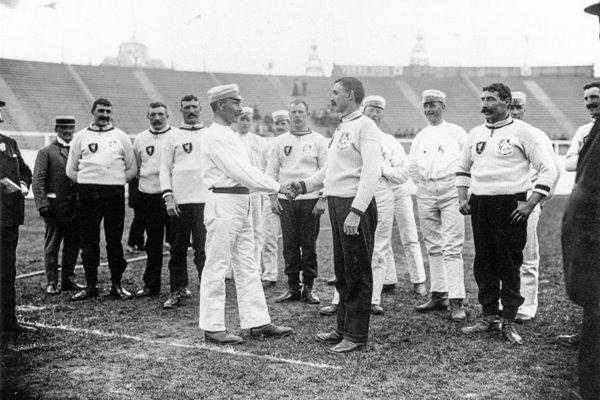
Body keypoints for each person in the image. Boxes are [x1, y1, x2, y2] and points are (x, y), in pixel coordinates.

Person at [458, 83, 559, 345]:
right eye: (482, 98)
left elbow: (548, 170)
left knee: (510, 264)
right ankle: (489, 316)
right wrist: (462, 197)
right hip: (480, 204)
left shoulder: (525, 132)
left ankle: (509, 321)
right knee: (484, 263)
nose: (485, 103)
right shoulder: (476, 133)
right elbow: (462, 169)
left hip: (511, 205)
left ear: (506, 101)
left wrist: (529, 204)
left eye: (490, 99)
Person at [290, 77, 382, 354]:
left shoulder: (366, 126)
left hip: (355, 206)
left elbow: (372, 171)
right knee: (343, 272)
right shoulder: (343, 126)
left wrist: (357, 210)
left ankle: (356, 335)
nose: (331, 97)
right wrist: (304, 185)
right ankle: (342, 328)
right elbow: (329, 171)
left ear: (350, 95)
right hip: (338, 204)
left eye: (336, 92)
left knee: (357, 272)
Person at [198, 83, 292, 345]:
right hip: (225, 201)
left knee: (248, 263)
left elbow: (245, 172)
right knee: (217, 264)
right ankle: (212, 326)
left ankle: (257, 321)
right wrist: (277, 186)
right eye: (235, 102)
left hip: (243, 201)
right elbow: (240, 172)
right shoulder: (214, 135)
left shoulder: (230, 135)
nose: (240, 108)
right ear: (220, 105)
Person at [67, 98, 137, 301]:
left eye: (108, 111)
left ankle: (117, 284)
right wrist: (88, 182)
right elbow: (71, 169)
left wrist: (115, 180)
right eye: (100, 110)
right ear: (92, 112)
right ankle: (90, 285)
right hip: (88, 194)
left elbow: (131, 167)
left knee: (114, 240)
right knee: (89, 240)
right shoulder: (81, 136)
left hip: (114, 194)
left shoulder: (120, 136)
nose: (104, 114)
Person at [408, 90, 467, 322]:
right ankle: (439, 294)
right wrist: (422, 186)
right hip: (425, 190)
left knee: (452, 246)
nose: (429, 110)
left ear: (443, 105)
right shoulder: (421, 135)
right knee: (433, 245)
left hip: (451, 189)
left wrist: (462, 190)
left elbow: (467, 162)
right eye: (426, 106)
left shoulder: (456, 132)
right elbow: (412, 166)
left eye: (433, 105)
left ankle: (456, 301)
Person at [267, 99, 328, 305]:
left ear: (307, 114)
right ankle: (293, 287)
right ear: (289, 115)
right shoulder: (280, 141)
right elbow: (272, 171)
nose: (297, 115)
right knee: (290, 245)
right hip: (286, 200)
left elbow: (327, 171)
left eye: (301, 111)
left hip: (310, 200)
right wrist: (273, 197)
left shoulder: (319, 140)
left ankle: (309, 288)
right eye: (293, 112)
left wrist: (322, 198)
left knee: (308, 245)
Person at [562, 78, 600, 399]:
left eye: (596, 97)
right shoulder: (585, 131)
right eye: (587, 98)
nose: (590, 103)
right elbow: (570, 161)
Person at [159, 94, 208, 309]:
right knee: (177, 249)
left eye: (194, 107)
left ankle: (209, 292)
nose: (191, 110)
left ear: (200, 109)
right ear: (181, 110)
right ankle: (178, 289)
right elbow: (164, 169)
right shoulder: (172, 136)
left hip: (206, 201)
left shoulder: (210, 135)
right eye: (186, 107)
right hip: (180, 202)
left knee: (204, 249)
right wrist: (168, 196)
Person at [508, 91, 553, 323]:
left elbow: (552, 172)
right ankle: (505, 301)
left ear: (524, 109)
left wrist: (537, 202)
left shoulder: (537, 135)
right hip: (501, 203)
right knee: (504, 255)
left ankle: (527, 306)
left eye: (519, 108)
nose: (514, 112)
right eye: (511, 108)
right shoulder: (500, 134)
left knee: (527, 256)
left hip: (527, 202)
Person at [32, 116, 84, 295]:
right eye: (64, 129)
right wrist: (42, 205)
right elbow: (38, 180)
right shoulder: (46, 152)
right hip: (55, 209)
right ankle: (52, 282)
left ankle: (68, 280)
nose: (68, 133)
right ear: (57, 129)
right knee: (52, 246)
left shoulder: (78, 151)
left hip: (75, 209)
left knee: (73, 246)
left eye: (70, 129)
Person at [0, 99, 37, 335]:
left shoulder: (9, 143)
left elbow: (25, 170)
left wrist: (22, 184)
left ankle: (8, 321)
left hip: (8, 219)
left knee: (7, 270)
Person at [133, 102, 171, 297]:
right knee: (153, 243)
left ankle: (178, 286)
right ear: (148, 116)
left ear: (167, 116)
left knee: (176, 243)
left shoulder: (174, 137)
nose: (157, 118)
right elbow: (137, 169)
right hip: (149, 197)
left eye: (160, 114)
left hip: (172, 196)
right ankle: (151, 285)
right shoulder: (140, 139)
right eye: (153, 115)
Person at [260, 110, 289, 285]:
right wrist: (272, 196)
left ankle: (298, 276)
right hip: (271, 196)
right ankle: (269, 274)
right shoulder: (267, 145)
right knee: (268, 237)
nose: (280, 126)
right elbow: (264, 173)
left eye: (283, 123)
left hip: (292, 196)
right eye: (277, 123)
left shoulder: (296, 143)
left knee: (295, 240)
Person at [236, 107, 266, 273]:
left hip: (254, 192)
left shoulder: (259, 141)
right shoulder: (231, 139)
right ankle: (234, 267)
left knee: (256, 230)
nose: (245, 123)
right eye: (242, 119)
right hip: (236, 192)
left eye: (248, 119)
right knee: (235, 230)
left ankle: (254, 266)